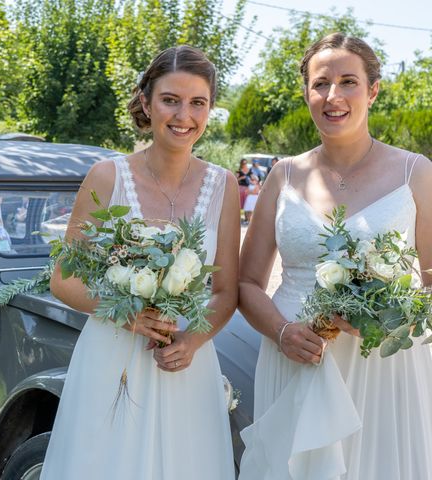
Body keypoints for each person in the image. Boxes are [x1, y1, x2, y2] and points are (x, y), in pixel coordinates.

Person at [238, 32, 432, 480]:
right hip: (296, 360)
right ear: (306, 91)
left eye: (348, 82)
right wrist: (283, 331)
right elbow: (247, 283)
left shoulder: (414, 172)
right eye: (320, 83)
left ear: (373, 90)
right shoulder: (283, 176)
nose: (333, 96)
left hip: (386, 366)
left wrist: (395, 317)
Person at [40, 45, 240, 480]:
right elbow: (62, 279)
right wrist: (129, 316)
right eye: (170, 99)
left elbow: (226, 291)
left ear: (209, 110)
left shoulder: (224, 185)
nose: (183, 115)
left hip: (186, 362)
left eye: (197, 102)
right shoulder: (107, 177)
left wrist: (194, 341)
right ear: (146, 103)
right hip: (113, 357)